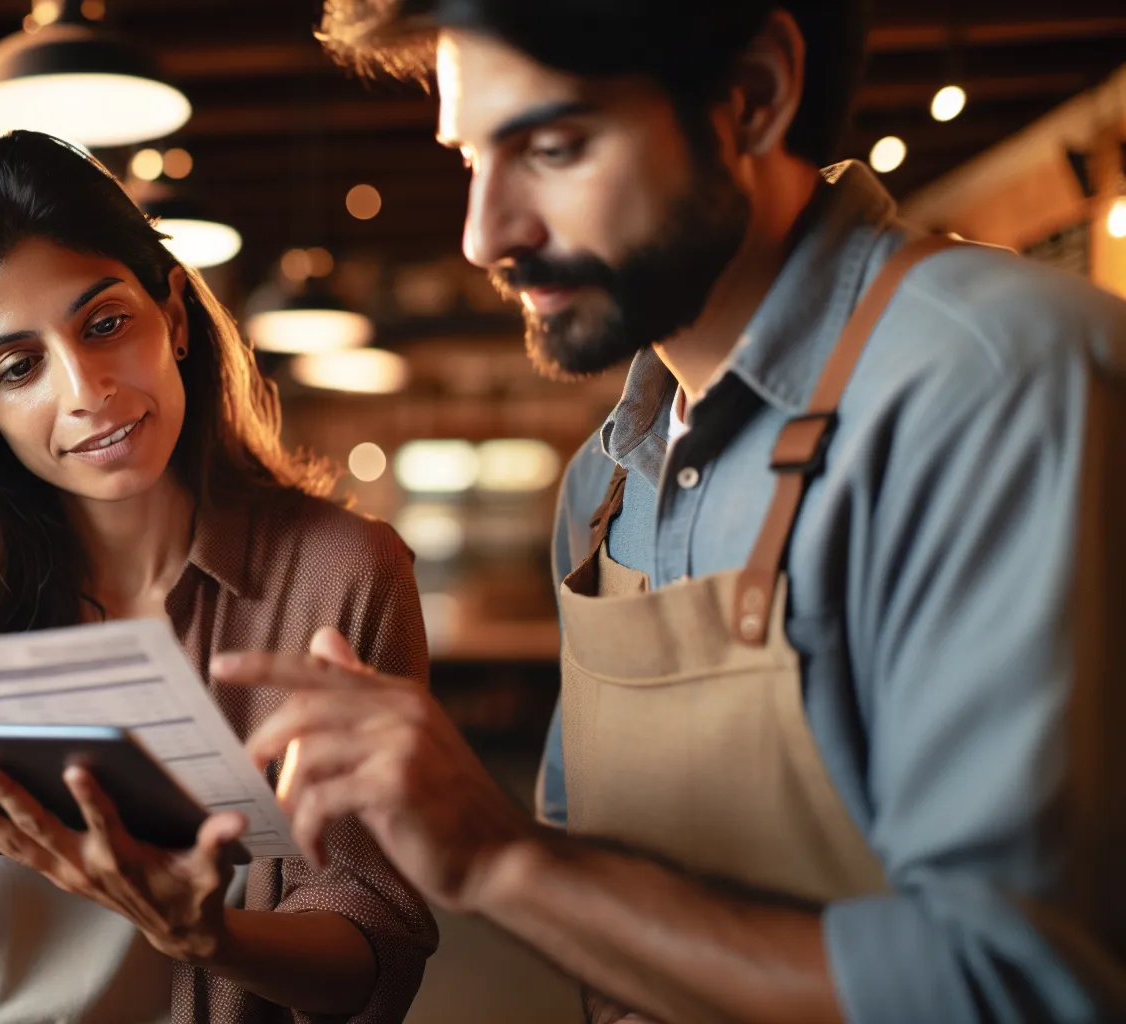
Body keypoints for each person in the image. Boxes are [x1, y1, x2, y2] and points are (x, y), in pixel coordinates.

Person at [211, 1, 1126, 1021]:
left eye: (552, 147)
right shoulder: (605, 482)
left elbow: (1009, 990)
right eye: (472, 156)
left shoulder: (994, 383)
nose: (483, 235)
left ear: (755, 97)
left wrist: (499, 857)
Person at [0, 129, 437, 1024]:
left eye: (105, 324)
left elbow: (378, 946)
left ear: (173, 313)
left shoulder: (341, 575)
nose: (86, 388)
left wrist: (213, 936)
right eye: (19, 367)